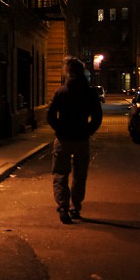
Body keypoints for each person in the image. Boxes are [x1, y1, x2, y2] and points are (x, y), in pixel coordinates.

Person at [46, 57, 103, 224]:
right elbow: (97, 117)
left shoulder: (61, 92)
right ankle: (75, 206)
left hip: (63, 139)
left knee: (60, 173)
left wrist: (59, 129)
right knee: (80, 174)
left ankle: (63, 206)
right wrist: (88, 131)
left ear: (68, 73)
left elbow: (50, 116)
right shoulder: (90, 93)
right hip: (81, 140)